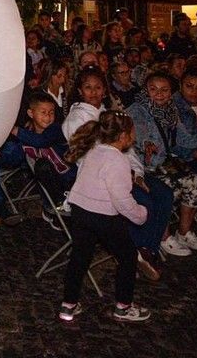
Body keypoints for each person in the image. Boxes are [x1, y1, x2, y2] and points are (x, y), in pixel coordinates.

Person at [57, 112, 151, 323]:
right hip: (103, 217)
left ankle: (68, 305)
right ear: (124, 136)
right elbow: (121, 199)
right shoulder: (118, 161)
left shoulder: (93, 151)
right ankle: (124, 306)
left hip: (80, 212)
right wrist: (140, 215)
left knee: (79, 258)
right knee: (128, 256)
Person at [128, 73, 197, 258]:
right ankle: (163, 236)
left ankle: (183, 233)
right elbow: (139, 135)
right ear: (146, 90)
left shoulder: (171, 111)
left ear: (171, 92)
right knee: (168, 189)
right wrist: (146, 144)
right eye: (153, 89)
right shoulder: (137, 110)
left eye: (164, 90)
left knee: (195, 182)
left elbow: (184, 140)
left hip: (163, 162)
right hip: (141, 167)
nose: (159, 94)